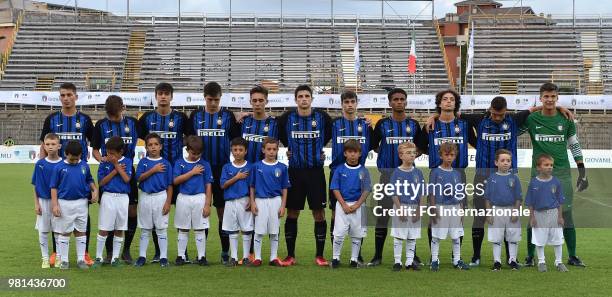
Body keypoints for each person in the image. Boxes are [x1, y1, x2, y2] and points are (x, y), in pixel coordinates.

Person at [521, 82, 588, 267]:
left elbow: (574, 145)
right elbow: (513, 127)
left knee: (566, 214)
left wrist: (582, 170)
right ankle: (529, 256)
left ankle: (572, 256)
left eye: (553, 97)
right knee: (535, 214)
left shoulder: (566, 119)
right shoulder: (532, 119)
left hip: (562, 174)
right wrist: (533, 109)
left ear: (557, 97)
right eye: (546, 97)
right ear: (540, 98)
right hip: (538, 175)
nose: (549, 100)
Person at [369, 88, 425, 267]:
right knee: (383, 215)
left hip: (409, 178)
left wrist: (410, 157)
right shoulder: (382, 124)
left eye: (402, 99)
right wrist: (386, 155)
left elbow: (422, 146)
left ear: (406, 102)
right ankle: (377, 256)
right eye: (396, 99)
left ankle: (412, 257)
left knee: (409, 216)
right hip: (387, 176)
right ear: (390, 103)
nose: (399, 102)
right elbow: (373, 145)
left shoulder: (414, 125)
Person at [40, 82, 95, 265]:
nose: (66, 98)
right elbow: (44, 145)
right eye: (62, 95)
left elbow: (93, 144)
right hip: (58, 173)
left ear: (76, 97)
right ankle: (57, 253)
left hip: (80, 175)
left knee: (83, 216)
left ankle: (84, 253)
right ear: (59, 97)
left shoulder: (85, 120)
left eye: (69, 95)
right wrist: (42, 167)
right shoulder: (51, 119)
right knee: (58, 216)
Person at [277, 85, 332, 266]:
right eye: (300, 96)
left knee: (319, 213)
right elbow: (280, 135)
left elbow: (331, 133)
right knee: (292, 213)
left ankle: (320, 255)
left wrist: (318, 152)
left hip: (315, 172)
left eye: (307, 96)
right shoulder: (287, 118)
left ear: (311, 99)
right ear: (295, 100)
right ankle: (290, 255)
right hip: (295, 172)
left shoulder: (322, 117)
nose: (303, 99)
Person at [138, 82, 190, 262]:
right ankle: (159, 252)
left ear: (171, 97)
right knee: (157, 213)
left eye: (166, 94)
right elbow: (141, 138)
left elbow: (190, 138)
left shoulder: (181, 118)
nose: (163, 97)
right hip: (157, 173)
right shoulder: (146, 118)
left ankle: (183, 252)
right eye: (160, 93)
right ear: (155, 95)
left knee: (182, 212)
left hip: (178, 170)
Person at [189, 82, 240, 264]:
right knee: (200, 213)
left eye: (216, 100)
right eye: (210, 100)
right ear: (205, 98)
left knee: (222, 212)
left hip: (221, 170)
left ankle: (225, 252)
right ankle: (199, 254)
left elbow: (236, 138)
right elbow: (188, 140)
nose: (213, 103)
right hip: (199, 170)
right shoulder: (195, 116)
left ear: (220, 98)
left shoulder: (227, 115)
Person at [91, 95, 140, 264]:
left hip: (127, 170)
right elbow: (95, 150)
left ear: (123, 108)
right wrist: (102, 160)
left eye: (116, 115)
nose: (113, 119)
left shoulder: (133, 123)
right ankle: (109, 252)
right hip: (107, 171)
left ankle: (125, 250)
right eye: (111, 116)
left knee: (131, 211)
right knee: (108, 214)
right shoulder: (101, 125)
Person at [329, 90, 373, 264]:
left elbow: (375, 145)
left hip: (358, 174)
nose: (349, 105)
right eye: (346, 102)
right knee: (335, 214)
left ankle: (357, 256)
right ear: (342, 105)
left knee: (358, 218)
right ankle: (335, 256)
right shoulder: (333, 124)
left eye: (352, 101)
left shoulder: (366, 126)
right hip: (337, 173)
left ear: (356, 103)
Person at [50, 140, 99, 269]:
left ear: (81, 155)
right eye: (72, 159)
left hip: (82, 203)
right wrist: (55, 205)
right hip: (64, 203)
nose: (74, 161)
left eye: (76, 159)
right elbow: (53, 187)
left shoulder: (84, 165)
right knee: (65, 232)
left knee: (81, 231)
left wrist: (95, 190)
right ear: (66, 154)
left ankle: (81, 260)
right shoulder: (59, 167)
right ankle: (64, 260)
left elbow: (89, 180)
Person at [329, 139, 371, 269]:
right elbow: (335, 188)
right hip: (342, 206)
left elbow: (366, 190)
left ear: (360, 154)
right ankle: (336, 258)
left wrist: (357, 205)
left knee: (357, 234)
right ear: (345, 153)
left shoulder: (363, 171)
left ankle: (354, 259)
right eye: (350, 152)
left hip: (358, 206)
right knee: (338, 234)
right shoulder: (339, 170)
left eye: (355, 152)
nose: (353, 155)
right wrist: (344, 205)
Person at [248, 137, 290, 267]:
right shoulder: (256, 166)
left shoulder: (282, 167)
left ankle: (273, 257)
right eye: (269, 149)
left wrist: (283, 205)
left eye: (274, 149)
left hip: (275, 201)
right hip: (260, 201)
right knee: (259, 230)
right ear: (263, 150)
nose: (271, 152)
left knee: (274, 231)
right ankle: (258, 257)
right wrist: (253, 202)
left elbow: (284, 188)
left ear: (278, 150)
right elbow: (252, 186)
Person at [428, 142, 470, 271]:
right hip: (441, 207)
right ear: (441, 155)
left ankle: (457, 260)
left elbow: (460, 193)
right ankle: (434, 260)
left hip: (455, 207)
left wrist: (462, 210)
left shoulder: (457, 174)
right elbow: (432, 192)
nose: (449, 157)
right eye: (446, 155)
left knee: (456, 235)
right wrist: (433, 209)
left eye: (452, 155)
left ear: (455, 156)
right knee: (436, 235)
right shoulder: (435, 172)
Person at [172, 136, 213, 266]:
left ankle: (201, 256)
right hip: (183, 198)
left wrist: (207, 204)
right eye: (193, 153)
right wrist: (192, 172)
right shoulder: (179, 163)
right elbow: (175, 181)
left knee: (200, 228)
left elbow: (208, 185)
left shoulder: (205, 164)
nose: (195, 156)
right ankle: (181, 256)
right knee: (183, 228)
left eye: (198, 153)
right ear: (187, 150)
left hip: (199, 198)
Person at [134, 133, 173, 268]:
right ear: (146, 147)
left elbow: (169, 185)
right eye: (150, 145)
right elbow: (138, 178)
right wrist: (153, 170)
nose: (153, 147)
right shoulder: (143, 162)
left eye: (156, 144)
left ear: (160, 146)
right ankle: (142, 256)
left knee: (161, 228)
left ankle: (163, 257)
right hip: (145, 196)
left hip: (160, 197)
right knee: (145, 229)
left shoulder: (166, 163)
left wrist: (168, 202)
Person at [525, 154, 569, 272]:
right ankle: (541, 261)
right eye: (546, 165)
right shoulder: (534, 183)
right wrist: (532, 217)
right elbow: (530, 202)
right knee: (539, 239)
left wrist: (560, 217)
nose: (549, 167)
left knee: (557, 238)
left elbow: (560, 201)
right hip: (539, 214)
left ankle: (559, 262)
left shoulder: (556, 182)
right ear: (539, 167)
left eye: (551, 165)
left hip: (554, 213)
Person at [92, 137, 132, 267]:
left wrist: (116, 165)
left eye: (112, 153)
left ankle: (115, 258)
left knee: (119, 228)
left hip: (122, 198)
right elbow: (102, 182)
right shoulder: (104, 163)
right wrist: (115, 170)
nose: (109, 155)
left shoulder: (127, 162)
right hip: (108, 197)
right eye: (108, 152)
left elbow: (127, 179)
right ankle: (98, 257)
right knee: (104, 228)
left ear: (121, 152)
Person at [484, 149, 522, 271]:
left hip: (511, 210)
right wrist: (489, 213)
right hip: (496, 210)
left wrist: (516, 211)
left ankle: (512, 260)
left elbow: (518, 197)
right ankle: (497, 261)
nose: (506, 163)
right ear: (496, 162)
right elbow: (487, 198)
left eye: (508, 161)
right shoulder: (492, 178)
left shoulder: (514, 178)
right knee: (496, 237)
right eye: (503, 160)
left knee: (513, 237)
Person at [389, 141, 425, 271]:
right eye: (408, 153)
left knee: (412, 236)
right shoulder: (396, 173)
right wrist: (400, 210)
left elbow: (422, 193)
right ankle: (397, 261)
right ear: (401, 155)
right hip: (401, 207)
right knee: (399, 235)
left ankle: (409, 262)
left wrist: (420, 209)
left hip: (414, 207)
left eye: (414, 153)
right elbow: (393, 193)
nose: (412, 155)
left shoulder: (418, 173)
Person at [220, 137, 254, 266]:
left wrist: (252, 200)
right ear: (231, 151)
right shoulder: (227, 167)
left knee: (246, 229)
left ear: (245, 151)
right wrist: (237, 177)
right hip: (230, 202)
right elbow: (223, 185)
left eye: (240, 150)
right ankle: (233, 258)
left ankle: (246, 258)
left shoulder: (250, 167)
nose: (238, 152)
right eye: (235, 149)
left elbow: (253, 186)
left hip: (245, 201)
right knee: (232, 230)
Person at [32, 133, 62, 268]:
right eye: (48, 144)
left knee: (58, 231)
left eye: (53, 144)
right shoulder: (40, 164)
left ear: (59, 146)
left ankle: (58, 258)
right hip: (44, 201)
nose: (50, 147)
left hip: (59, 202)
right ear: (44, 146)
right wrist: (36, 203)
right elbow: (36, 185)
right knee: (43, 231)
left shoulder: (63, 163)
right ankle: (44, 258)